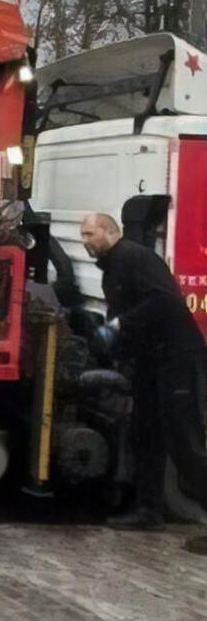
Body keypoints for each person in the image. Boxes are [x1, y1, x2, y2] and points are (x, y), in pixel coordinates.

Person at [80, 211, 207, 530]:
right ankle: (148, 510)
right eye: (82, 236)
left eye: (90, 234)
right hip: (150, 360)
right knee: (146, 433)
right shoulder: (112, 268)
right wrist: (115, 349)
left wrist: (121, 325)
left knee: (183, 441)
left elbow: (165, 303)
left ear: (111, 232)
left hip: (176, 357)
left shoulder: (136, 258)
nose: (85, 242)